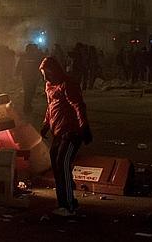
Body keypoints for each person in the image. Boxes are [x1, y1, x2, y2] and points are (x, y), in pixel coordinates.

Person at [39, 57, 93, 217]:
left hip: (71, 132)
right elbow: (51, 107)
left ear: (54, 70)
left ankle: (69, 205)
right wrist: (45, 124)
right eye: (43, 74)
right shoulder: (49, 86)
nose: (45, 77)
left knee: (62, 164)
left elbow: (78, 106)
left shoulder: (67, 84)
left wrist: (84, 127)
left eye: (47, 73)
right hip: (58, 132)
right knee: (57, 165)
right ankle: (64, 202)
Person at [15, 43, 43, 113]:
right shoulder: (34, 57)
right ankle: (27, 106)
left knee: (28, 92)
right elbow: (40, 67)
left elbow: (19, 66)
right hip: (31, 78)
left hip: (27, 78)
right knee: (29, 92)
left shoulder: (32, 57)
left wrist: (17, 74)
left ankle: (27, 105)